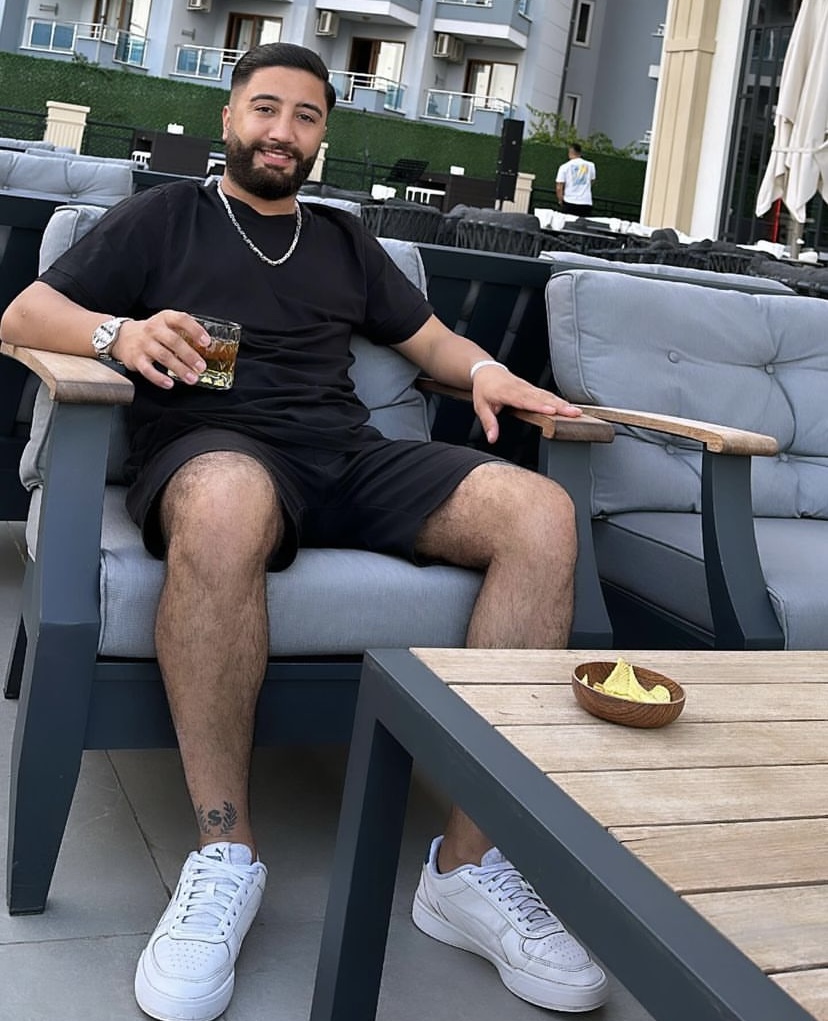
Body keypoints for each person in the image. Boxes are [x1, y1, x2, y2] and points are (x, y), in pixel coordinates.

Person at [1, 43, 608, 1021]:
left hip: (348, 457)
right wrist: (120, 334)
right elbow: (25, 312)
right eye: (265, 109)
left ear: (324, 134)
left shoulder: (343, 240)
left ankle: (465, 866)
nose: (282, 131)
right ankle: (224, 853)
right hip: (215, 451)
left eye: (306, 116)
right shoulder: (166, 216)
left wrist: (487, 372)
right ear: (229, 117)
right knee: (228, 500)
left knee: (540, 512)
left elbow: (429, 342)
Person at [555, 143, 596, 216]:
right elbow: (592, 180)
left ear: (570, 152)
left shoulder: (564, 167)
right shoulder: (590, 165)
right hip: (585, 202)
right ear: (580, 153)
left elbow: (559, 186)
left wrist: (560, 200)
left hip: (569, 201)